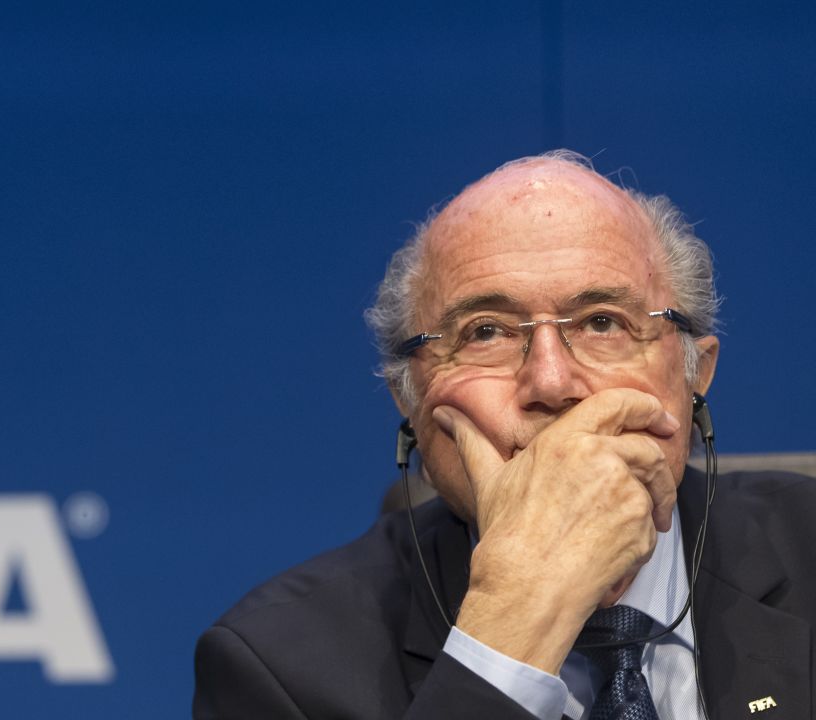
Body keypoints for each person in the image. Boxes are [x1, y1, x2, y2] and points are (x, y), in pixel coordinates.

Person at [192, 151, 816, 719]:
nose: (551, 381)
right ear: (409, 399)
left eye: (603, 322)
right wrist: (514, 618)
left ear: (694, 372)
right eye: (485, 332)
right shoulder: (277, 669)